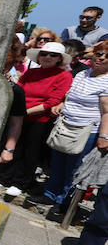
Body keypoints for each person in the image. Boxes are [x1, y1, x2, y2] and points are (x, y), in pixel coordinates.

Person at [26, 39, 108, 209]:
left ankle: (64, 202)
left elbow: (107, 112)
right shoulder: (82, 74)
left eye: (106, 56)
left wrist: (104, 136)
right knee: (58, 163)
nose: (101, 58)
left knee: (74, 167)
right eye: (99, 54)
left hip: (87, 129)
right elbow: (70, 97)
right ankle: (50, 195)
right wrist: (61, 105)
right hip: (66, 124)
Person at [0, 42, 72, 198]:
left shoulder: (64, 76)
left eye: (53, 55)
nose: (47, 57)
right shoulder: (32, 72)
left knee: (30, 152)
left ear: (59, 59)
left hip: (40, 119)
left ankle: (20, 183)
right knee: (13, 146)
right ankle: (4, 178)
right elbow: (19, 89)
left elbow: (52, 102)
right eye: (44, 54)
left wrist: (22, 112)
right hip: (20, 115)